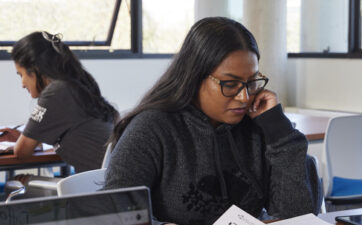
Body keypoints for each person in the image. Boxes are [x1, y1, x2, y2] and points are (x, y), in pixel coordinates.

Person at [104, 17, 321, 225]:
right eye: (230, 83)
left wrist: (279, 133)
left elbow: (298, 217)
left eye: (252, 82)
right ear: (194, 77)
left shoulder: (258, 127)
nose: (244, 97)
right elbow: (113, 212)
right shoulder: (152, 128)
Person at [0, 31, 118, 173]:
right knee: (30, 184)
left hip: (100, 188)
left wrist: (23, 143)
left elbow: (22, 152)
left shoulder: (56, 92)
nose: (23, 84)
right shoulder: (79, 84)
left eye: (21, 75)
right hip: (113, 184)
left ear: (35, 68)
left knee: (20, 187)